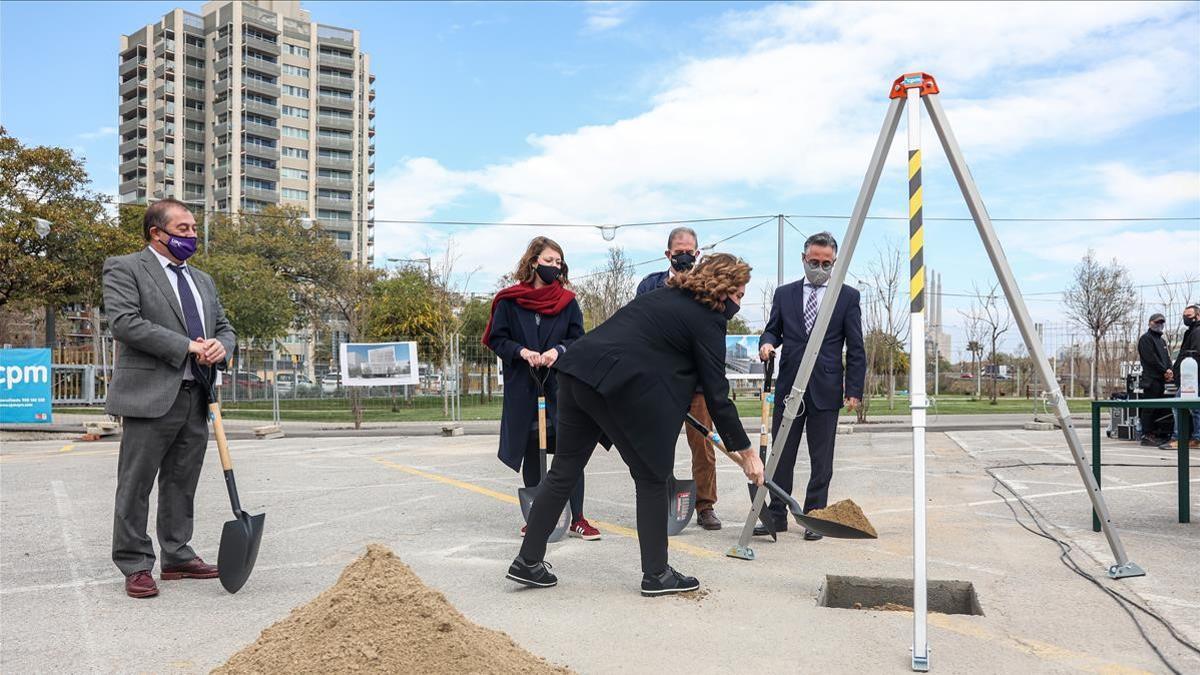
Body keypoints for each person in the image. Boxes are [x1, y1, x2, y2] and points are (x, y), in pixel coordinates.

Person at [506, 253, 764, 596]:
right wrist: (747, 453)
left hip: (575, 373)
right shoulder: (708, 318)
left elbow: (651, 353)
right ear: (724, 288)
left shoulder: (663, 296)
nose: (739, 304)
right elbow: (717, 394)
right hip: (612, 387)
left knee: (564, 470)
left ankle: (528, 561)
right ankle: (657, 574)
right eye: (740, 295)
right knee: (653, 476)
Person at [103, 198, 236, 598]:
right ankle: (135, 563)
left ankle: (177, 556)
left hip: (196, 394)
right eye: (183, 229)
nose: (192, 236)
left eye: (194, 228)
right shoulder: (125, 268)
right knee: (136, 483)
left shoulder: (203, 280)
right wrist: (187, 347)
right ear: (156, 233)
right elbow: (126, 323)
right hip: (149, 395)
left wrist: (220, 347)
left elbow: (226, 326)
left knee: (181, 482)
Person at [483, 237, 599, 540]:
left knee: (567, 454)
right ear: (533, 262)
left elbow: (578, 340)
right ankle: (536, 516)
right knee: (533, 451)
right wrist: (522, 352)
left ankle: (578, 518)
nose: (554, 267)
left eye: (558, 262)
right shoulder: (508, 301)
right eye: (549, 261)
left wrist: (557, 351)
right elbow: (497, 338)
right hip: (525, 386)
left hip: (561, 387)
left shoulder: (567, 301)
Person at [756, 231, 865, 540]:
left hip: (826, 388)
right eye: (814, 262)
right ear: (803, 259)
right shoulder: (784, 294)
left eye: (826, 263)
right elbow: (772, 330)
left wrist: (853, 389)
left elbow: (856, 347)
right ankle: (776, 515)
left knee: (822, 460)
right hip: (790, 386)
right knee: (781, 456)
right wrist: (766, 345)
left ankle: (814, 517)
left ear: (834, 263)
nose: (820, 268)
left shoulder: (847, 297)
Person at [634, 227, 723, 530]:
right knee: (659, 446)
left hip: (695, 382)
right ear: (668, 253)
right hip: (660, 382)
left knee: (703, 445)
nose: (684, 254)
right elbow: (639, 327)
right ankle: (660, 501)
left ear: (698, 254)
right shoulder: (650, 286)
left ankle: (705, 505)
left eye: (690, 250)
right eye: (679, 249)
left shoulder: (707, 287)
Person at [1164, 304, 1200, 450]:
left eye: (1189, 316)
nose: (1186, 318)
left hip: (1193, 378)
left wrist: (1188, 377)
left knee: (1178, 405)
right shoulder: (1190, 332)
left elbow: (1194, 355)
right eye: (1184, 316)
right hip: (1189, 377)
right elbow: (1183, 354)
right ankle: (1196, 437)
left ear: (1198, 315)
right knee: (1194, 409)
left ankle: (1179, 438)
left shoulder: (1197, 332)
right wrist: (1174, 370)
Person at [1137, 313, 1172, 445]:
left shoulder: (1162, 341)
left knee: (1158, 408)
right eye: (1157, 322)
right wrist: (1165, 370)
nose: (1159, 325)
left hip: (1161, 380)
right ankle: (1146, 435)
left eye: (1161, 322)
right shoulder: (1145, 339)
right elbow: (1151, 359)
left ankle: (1154, 433)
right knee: (1149, 408)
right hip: (1151, 380)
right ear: (1150, 323)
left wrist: (1170, 371)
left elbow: (1167, 359)